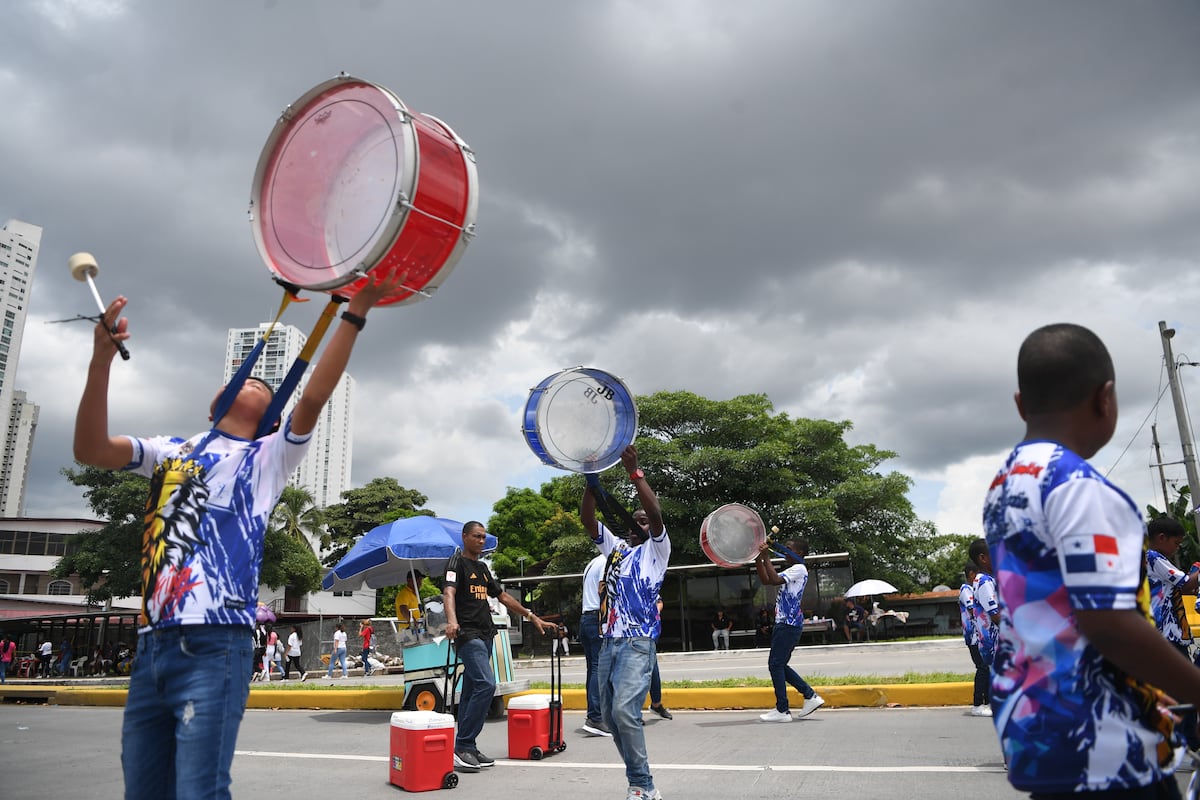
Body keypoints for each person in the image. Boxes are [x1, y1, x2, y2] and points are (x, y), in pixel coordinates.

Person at [73, 266, 404, 800]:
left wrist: (357, 309)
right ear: (214, 403)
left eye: (266, 386)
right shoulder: (171, 449)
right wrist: (99, 361)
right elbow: (90, 450)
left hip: (216, 639)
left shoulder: (268, 459)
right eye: (245, 378)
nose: (256, 381)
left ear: (273, 418)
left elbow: (313, 398)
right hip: (152, 643)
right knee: (143, 791)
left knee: (200, 790)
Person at [982, 322, 1200, 797]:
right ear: (1106, 399)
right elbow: (1107, 622)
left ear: (1021, 404)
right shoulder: (1083, 490)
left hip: (1038, 731)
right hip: (1107, 749)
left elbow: (1062, 623)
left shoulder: (1006, 486)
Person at [581, 445, 670, 800]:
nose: (639, 524)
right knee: (612, 718)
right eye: (635, 521)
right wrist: (591, 481)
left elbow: (656, 514)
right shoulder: (616, 549)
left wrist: (636, 474)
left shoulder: (657, 552)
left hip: (637, 643)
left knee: (624, 711)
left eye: (643, 521)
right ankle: (637, 782)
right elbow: (588, 520)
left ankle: (644, 785)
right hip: (608, 643)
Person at [444, 520, 552, 772]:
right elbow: (448, 593)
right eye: (476, 536)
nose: (481, 541)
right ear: (465, 537)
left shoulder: (482, 568)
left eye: (483, 537)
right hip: (467, 634)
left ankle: (467, 746)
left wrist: (530, 615)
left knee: (472, 691)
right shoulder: (456, 563)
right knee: (486, 684)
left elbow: (501, 596)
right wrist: (451, 620)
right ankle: (462, 746)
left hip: (486, 635)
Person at [754, 536, 824, 723]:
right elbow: (767, 580)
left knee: (775, 665)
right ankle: (810, 696)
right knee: (780, 664)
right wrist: (758, 559)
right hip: (786, 623)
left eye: (788, 548)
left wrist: (766, 556)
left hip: (788, 623)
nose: (785, 550)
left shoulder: (799, 568)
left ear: (799, 553)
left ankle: (783, 710)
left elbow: (775, 579)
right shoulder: (794, 569)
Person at [1146, 515, 1199, 660]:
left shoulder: (1154, 559)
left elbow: (1182, 588)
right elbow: (1186, 583)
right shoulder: (1153, 557)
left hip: (1169, 635)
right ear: (1162, 538)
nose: (1177, 548)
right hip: (1167, 635)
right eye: (1176, 543)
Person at [580, 552, 610, 737]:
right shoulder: (607, 562)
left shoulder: (592, 562)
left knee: (593, 669)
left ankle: (595, 714)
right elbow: (603, 590)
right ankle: (596, 718)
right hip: (597, 618)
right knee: (599, 669)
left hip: (586, 619)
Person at [958, 564, 990, 717]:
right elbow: (973, 609)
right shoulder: (966, 590)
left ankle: (988, 703)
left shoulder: (975, 589)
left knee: (987, 669)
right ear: (971, 574)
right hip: (973, 638)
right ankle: (977, 705)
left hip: (981, 636)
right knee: (982, 668)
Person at [646, 596, 672, 721]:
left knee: (653, 672)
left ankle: (656, 704)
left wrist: (654, 612)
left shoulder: (648, 581)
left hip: (648, 633)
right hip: (633, 633)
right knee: (636, 674)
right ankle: (632, 712)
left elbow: (659, 602)